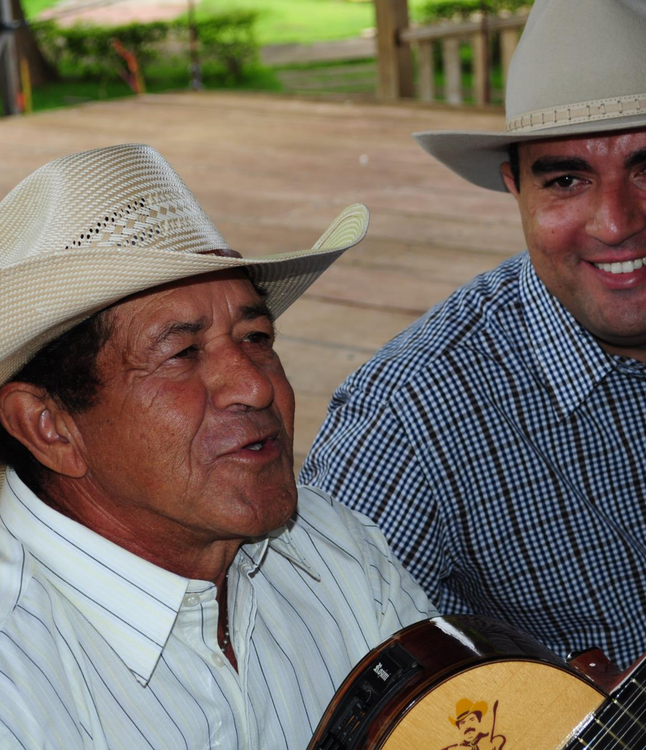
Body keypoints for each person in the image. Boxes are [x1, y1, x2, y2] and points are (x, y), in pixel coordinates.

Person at [300, 0, 646, 745]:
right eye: (565, 181)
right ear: (516, 191)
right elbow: (310, 690)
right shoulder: (414, 419)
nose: (613, 222)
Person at [0, 143, 435, 750]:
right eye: (181, 353)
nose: (257, 385)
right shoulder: (15, 683)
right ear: (50, 426)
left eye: (256, 336)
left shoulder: (333, 549)